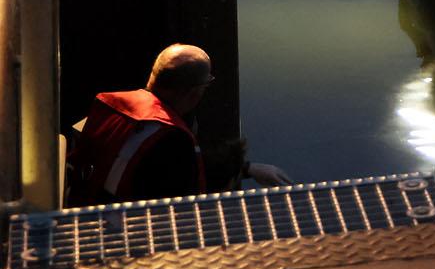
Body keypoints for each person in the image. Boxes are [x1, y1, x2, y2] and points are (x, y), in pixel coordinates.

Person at [65, 44, 289, 207]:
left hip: (82, 209)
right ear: (194, 92)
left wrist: (246, 168)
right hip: (121, 239)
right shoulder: (170, 138)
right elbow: (179, 201)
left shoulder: (114, 105)